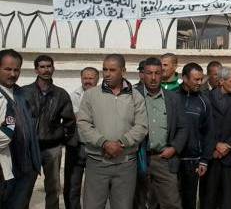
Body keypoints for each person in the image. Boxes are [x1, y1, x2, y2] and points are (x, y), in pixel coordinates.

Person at [77, 54, 148, 209]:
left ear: (123, 71)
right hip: (97, 162)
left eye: (112, 70)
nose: (107, 74)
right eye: (104, 69)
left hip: (126, 163)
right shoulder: (91, 95)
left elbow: (141, 126)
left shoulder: (136, 97)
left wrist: (121, 143)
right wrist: (104, 143)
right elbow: (83, 124)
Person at [20, 54, 76, 209]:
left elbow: (69, 121)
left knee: (53, 187)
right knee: (25, 187)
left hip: (52, 148)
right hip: (30, 148)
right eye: (42, 67)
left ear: (53, 68)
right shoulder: (24, 92)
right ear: (36, 70)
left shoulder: (61, 94)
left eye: (48, 66)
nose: (46, 70)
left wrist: (61, 139)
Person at [135, 57, 189, 209]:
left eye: (157, 73)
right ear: (142, 74)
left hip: (163, 159)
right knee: (138, 201)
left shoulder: (173, 98)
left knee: (171, 202)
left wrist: (174, 148)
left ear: (162, 74)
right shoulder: (133, 96)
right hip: (138, 158)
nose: (153, 78)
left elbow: (183, 128)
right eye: (149, 73)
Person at [0, 49, 41, 209]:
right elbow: (6, 133)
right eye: (7, 69)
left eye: (16, 69)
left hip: (26, 169)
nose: (12, 74)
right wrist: (9, 131)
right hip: (6, 171)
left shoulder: (20, 94)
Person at [204, 66, 231, 209]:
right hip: (211, 156)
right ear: (221, 81)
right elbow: (203, 127)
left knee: (227, 198)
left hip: (230, 156)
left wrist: (227, 146)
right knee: (209, 197)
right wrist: (215, 145)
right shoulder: (206, 98)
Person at [176, 62, 213, 209]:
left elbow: (209, 132)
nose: (199, 83)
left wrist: (204, 160)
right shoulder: (171, 97)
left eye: (201, 79)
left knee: (189, 201)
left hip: (193, 161)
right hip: (171, 159)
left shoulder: (204, 102)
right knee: (168, 200)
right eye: (195, 79)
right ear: (184, 78)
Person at [64, 67, 99, 209]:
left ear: (97, 79)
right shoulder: (74, 96)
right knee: (72, 185)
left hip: (95, 147)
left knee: (95, 187)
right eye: (85, 78)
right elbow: (74, 118)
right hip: (76, 145)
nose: (87, 81)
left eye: (91, 78)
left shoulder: (103, 95)